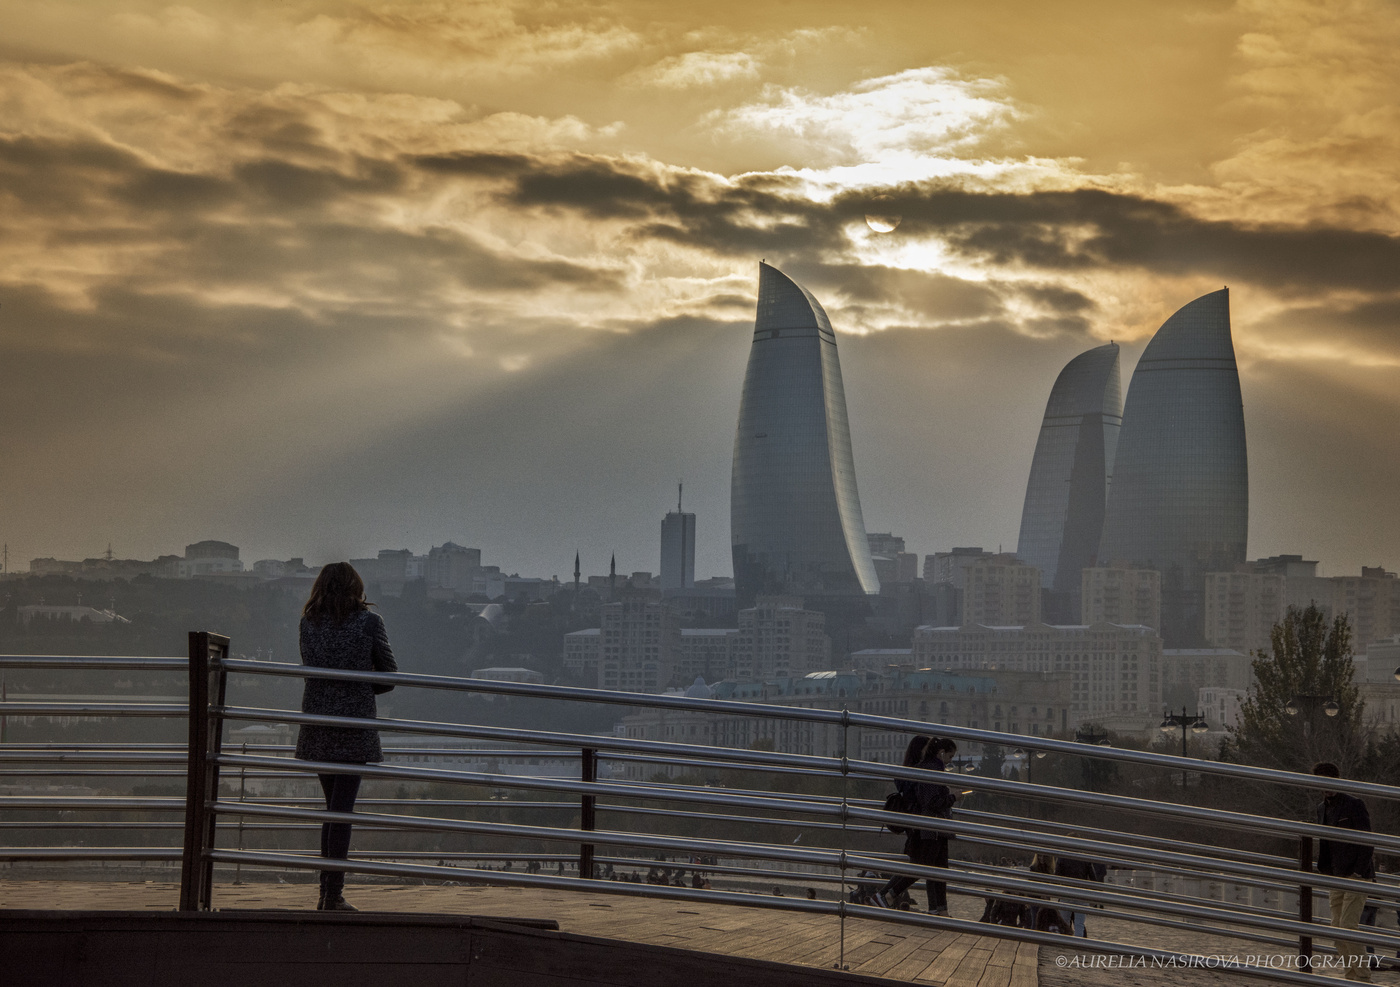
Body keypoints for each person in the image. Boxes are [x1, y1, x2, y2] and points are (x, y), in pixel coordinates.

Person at [294, 561, 398, 911]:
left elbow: (311, 670)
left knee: (332, 810)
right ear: (356, 587)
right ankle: (332, 894)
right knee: (342, 811)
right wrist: (360, 686)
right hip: (353, 724)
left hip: (319, 722)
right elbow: (389, 675)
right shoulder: (370, 622)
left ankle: (327, 892)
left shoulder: (309, 623)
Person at [870, 736, 959, 915]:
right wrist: (954, 797)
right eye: (950, 756)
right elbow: (931, 801)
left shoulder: (920, 769)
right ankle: (887, 895)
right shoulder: (929, 769)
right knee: (924, 866)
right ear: (940, 752)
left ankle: (939, 909)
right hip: (928, 827)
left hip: (928, 827)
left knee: (934, 867)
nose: (950, 761)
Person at [1314, 761, 1375, 983]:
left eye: (1330, 781)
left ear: (1337, 781)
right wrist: (1327, 871)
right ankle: (1351, 976)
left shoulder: (1354, 804)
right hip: (1336, 876)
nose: (1326, 786)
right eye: (1321, 782)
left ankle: (1363, 977)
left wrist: (1358, 873)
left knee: (1348, 926)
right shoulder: (1321, 808)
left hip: (1357, 876)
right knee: (1336, 930)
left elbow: (1368, 840)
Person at [1054, 846, 1107, 938]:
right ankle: (1078, 943)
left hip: (1066, 893)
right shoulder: (1084, 859)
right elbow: (1093, 878)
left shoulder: (1062, 858)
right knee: (1079, 924)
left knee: (1065, 922)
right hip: (1081, 894)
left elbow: (1057, 876)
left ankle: (1064, 942)